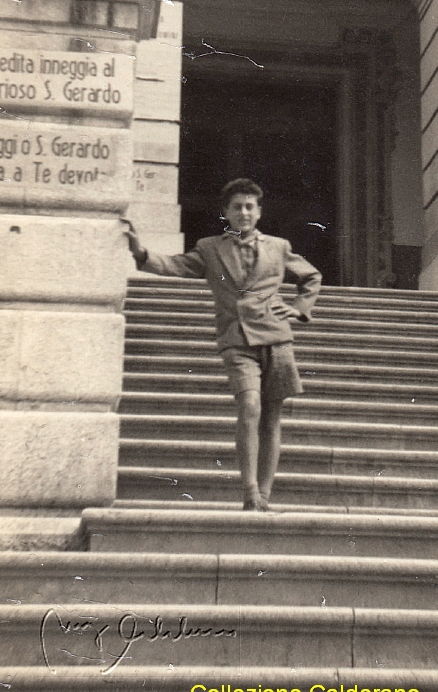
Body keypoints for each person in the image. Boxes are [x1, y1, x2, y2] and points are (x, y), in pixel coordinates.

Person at [124, 178, 322, 511]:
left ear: (259, 212)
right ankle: (249, 493)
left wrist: (298, 309)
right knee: (250, 407)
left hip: (276, 339)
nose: (243, 213)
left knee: (272, 417)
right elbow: (176, 265)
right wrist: (141, 253)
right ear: (226, 212)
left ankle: (266, 496)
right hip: (236, 338)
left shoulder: (279, 247)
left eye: (249, 207)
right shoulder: (210, 248)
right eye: (236, 207)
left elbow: (311, 276)